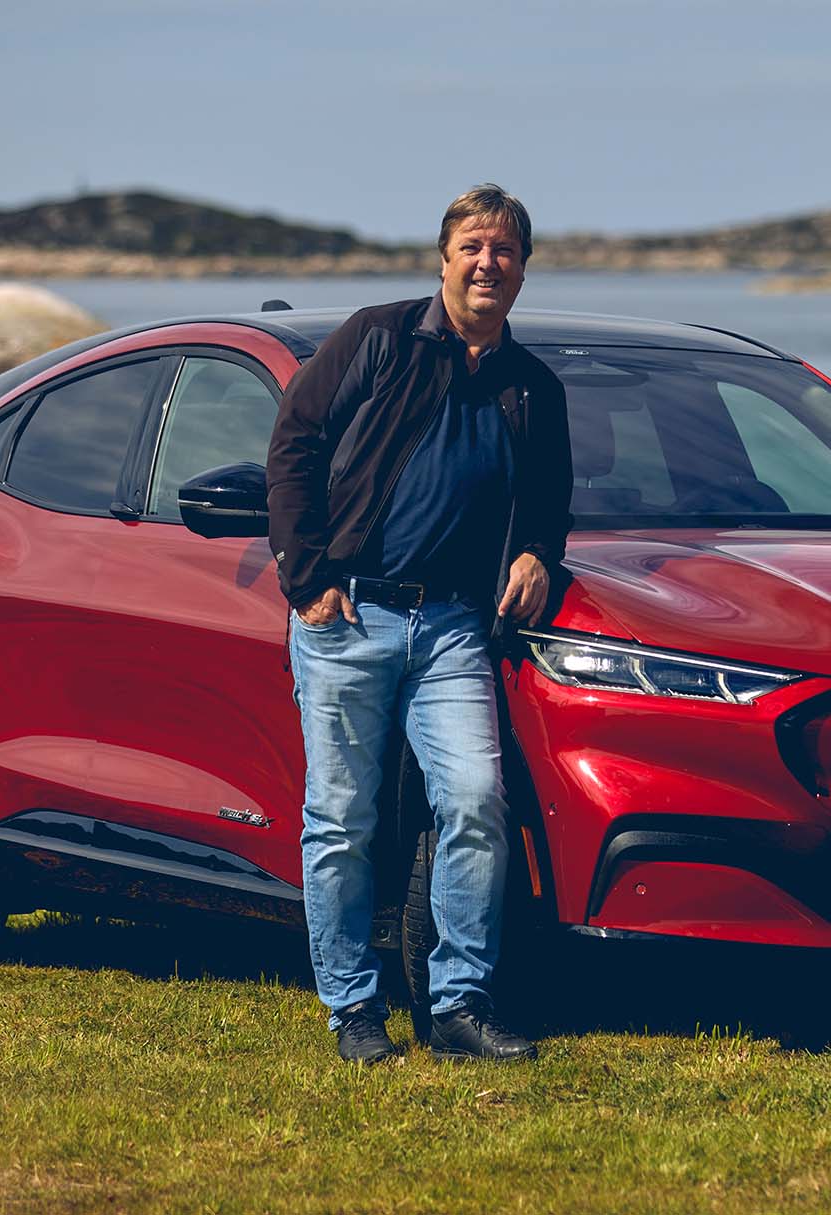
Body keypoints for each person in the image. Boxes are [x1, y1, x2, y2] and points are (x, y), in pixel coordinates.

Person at [266, 184, 572, 1064]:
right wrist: (307, 576)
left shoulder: (533, 388)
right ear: (443, 259)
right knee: (342, 817)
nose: (488, 263)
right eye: (473, 246)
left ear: (521, 269)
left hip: (452, 629)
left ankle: (458, 1003)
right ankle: (353, 1007)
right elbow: (293, 442)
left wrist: (537, 555)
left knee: (476, 801)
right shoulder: (378, 338)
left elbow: (549, 504)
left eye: (505, 251)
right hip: (349, 612)